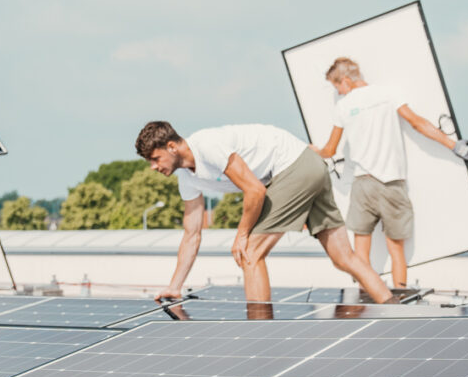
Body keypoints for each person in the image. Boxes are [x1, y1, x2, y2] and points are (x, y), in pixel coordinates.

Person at [136, 121, 396, 304]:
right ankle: (392, 306)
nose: (153, 167)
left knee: (249, 252)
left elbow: (255, 191)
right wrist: (175, 286)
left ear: (172, 147)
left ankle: (260, 333)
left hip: (294, 166)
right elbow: (191, 234)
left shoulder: (207, 146)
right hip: (308, 166)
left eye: (155, 159)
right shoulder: (186, 178)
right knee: (343, 257)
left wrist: (241, 235)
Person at [315, 56, 468, 288]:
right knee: (396, 249)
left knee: (361, 248)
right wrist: (454, 146)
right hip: (392, 182)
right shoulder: (388, 94)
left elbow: (329, 150)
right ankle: (399, 295)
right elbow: (417, 123)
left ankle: (366, 294)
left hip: (363, 185)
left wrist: (312, 151)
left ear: (346, 80)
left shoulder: (344, 107)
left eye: (337, 86)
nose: (338, 92)